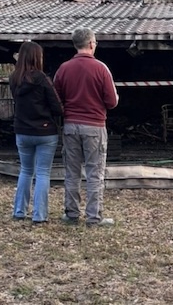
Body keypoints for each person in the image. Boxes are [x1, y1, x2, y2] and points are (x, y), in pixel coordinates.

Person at [54, 28, 119, 227]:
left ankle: (71, 213)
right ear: (91, 44)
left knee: (72, 172)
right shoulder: (101, 68)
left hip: (71, 126)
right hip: (94, 126)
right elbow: (111, 101)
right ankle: (93, 217)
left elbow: (56, 99)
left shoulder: (63, 68)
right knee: (95, 172)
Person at [9, 41, 64, 224]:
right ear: (37, 57)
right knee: (42, 173)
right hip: (45, 132)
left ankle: (19, 211)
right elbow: (57, 107)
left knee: (25, 171)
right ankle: (39, 215)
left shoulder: (13, 79)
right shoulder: (42, 78)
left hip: (22, 131)